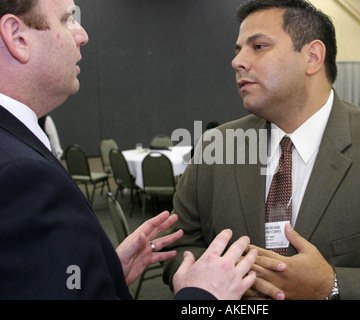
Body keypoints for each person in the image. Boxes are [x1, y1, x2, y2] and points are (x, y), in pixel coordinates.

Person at [162, 0, 360, 299]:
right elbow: (177, 247)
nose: (237, 61)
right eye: (238, 50)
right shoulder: (215, 147)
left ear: (312, 57)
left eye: (258, 46)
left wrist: (332, 286)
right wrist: (223, 282)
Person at [0, 0, 256, 300]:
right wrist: (204, 296)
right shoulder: (21, 175)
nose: (82, 34)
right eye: (68, 18)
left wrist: (100, 272)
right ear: (17, 37)